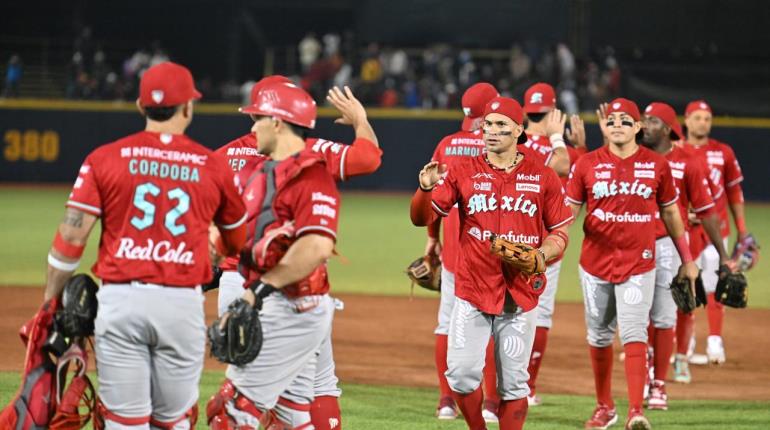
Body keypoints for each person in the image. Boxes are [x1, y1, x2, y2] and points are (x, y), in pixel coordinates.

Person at [44, 61, 247, 429]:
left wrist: (49, 303)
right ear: (188, 107)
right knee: (172, 421)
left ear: (140, 107)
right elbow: (236, 240)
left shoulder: (103, 158)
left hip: (121, 301)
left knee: (124, 421)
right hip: (181, 304)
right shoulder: (212, 165)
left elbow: (71, 238)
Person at [213, 76, 380, 430]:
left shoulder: (237, 159)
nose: (254, 122)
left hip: (274, 290)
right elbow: (368, 158)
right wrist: (361, 122)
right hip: (262, 286)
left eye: (258, 115)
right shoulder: (303, 156)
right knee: (299, 400)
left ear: (276, 119)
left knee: (235, 409)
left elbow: (316, 245)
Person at [412, 96, 573, 430]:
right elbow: (421, 217)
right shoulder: (462, 172)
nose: (492, 131)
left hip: (520, 293)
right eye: (488, 124)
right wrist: (424, 190)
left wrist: (542, 254)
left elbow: (560, 230)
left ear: (518, 129)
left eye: (501, 125)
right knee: (460, 374)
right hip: (472, 289)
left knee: (514, 383)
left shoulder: (542, 176)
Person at [565, 98, 699, 430]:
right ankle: (604, 406)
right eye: (613, 120)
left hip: (640, 263)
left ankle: (636, 411)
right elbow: (568, 212)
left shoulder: (657, 165)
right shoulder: (586, 164)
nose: (619, 124)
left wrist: (687, 260)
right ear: (604, 127)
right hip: (594, 264)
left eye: (627, 120)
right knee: (598, 336)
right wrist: (548, 246)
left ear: (638, 127)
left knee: (635, 333)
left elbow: (671, 213)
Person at [640, 102, 731, 408]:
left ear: (667, 127)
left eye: (651, 120)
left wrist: (723, 254)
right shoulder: (634, 159)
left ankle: (664, 376)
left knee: (674, 311)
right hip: (635, 245)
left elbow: (707, 212)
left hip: (672, 245)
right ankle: (646, 369)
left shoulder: (688, 163)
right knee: (639, 316)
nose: (643, 125)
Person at [424, 82, 502, 423]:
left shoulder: (446, 145)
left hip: (455, 250)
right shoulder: (499, 144)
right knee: (490, 325)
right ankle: (490, 403)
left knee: (446, 324)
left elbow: (431, 198)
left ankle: (446, 401)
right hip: (493, 252)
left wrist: (431, 238)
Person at [520, 81, 587, 406]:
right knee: (540, 314)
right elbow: (587, 175)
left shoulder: (512, 146)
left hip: (510, 240)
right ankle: (526, 387)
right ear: (553, 113)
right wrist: (579, 145)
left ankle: (492, 388)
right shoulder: (565, 153)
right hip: (548, 246)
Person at [680, 100, 748, 365]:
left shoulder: (723, 152)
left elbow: (734, 191)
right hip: (685, 231)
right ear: (686, 120)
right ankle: (687, 341)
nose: (702, 123)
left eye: (707, 118)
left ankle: (715, 341)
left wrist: (741, 229)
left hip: (717, 229)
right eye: (697, 117)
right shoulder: (676, 151)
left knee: (717, 283)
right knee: (686, 287)